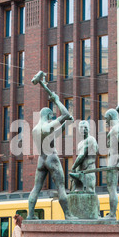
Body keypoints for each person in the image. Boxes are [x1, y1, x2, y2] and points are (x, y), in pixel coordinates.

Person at [27, 92, 77, 220]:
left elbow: (53, 136)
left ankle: (30, 214)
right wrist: (57, 100)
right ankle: (68, 214)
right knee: (60, 186)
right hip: (51, 157)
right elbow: (65, 114)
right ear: (49, 115)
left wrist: (66, 125)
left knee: (36, 188)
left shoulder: (35, 129)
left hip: (41, 159)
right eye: (51, 116)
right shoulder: (48, 125)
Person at [70, 120, 99, 193]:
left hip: (88, 170)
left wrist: (73, 167)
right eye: (81, 128)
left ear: (89, 129)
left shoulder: (91, 139)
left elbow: (82, 155)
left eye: (85, 128)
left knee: (89, 192)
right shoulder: (80, 143)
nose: (83, 129)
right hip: (79, 172)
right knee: (76, 194)